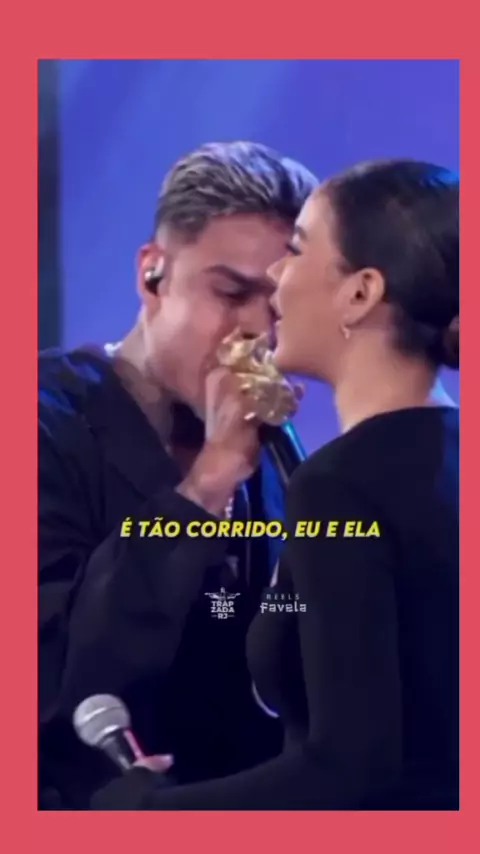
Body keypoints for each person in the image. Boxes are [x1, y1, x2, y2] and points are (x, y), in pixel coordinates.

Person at [92, 159, 459, 810]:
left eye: (294, 252)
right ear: (152, 273)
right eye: (234, 292)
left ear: (360, 294)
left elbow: (348, 769)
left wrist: (144, 814)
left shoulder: (336, 485)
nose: (272, 295)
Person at [38, 141, 318, 809]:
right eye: (232, 293)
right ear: (152, 274)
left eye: (277, 306)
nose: (255, 332)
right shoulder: (40, 421)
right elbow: (49, 676)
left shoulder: (275, 452)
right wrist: (204, 490)